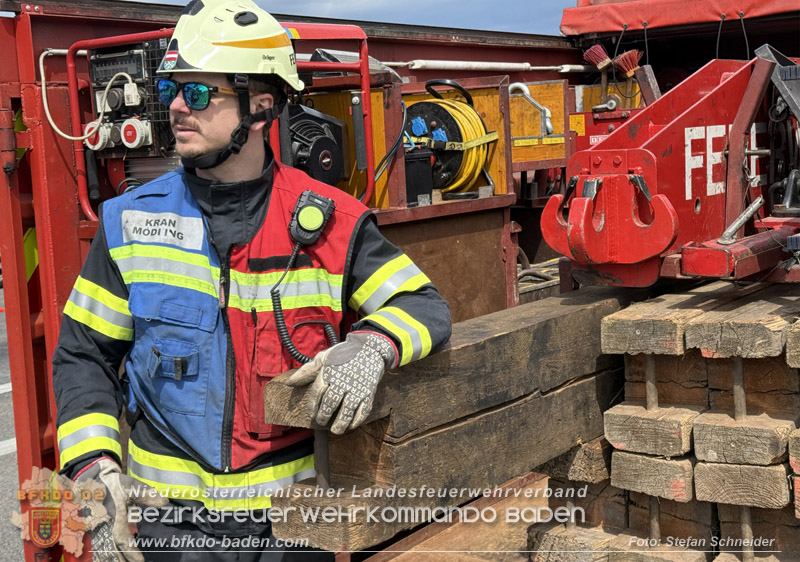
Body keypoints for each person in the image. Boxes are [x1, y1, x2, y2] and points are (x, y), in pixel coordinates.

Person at [51, 1, 451, 560]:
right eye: (172, 91)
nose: (176, 110)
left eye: (196, 94)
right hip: (169, 528)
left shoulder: (332, 222)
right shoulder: (131, 222)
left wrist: (371, 346)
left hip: (291, 526)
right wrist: (95, 472)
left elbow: (423, 304)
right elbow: (83, 354)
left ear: (260, 107)